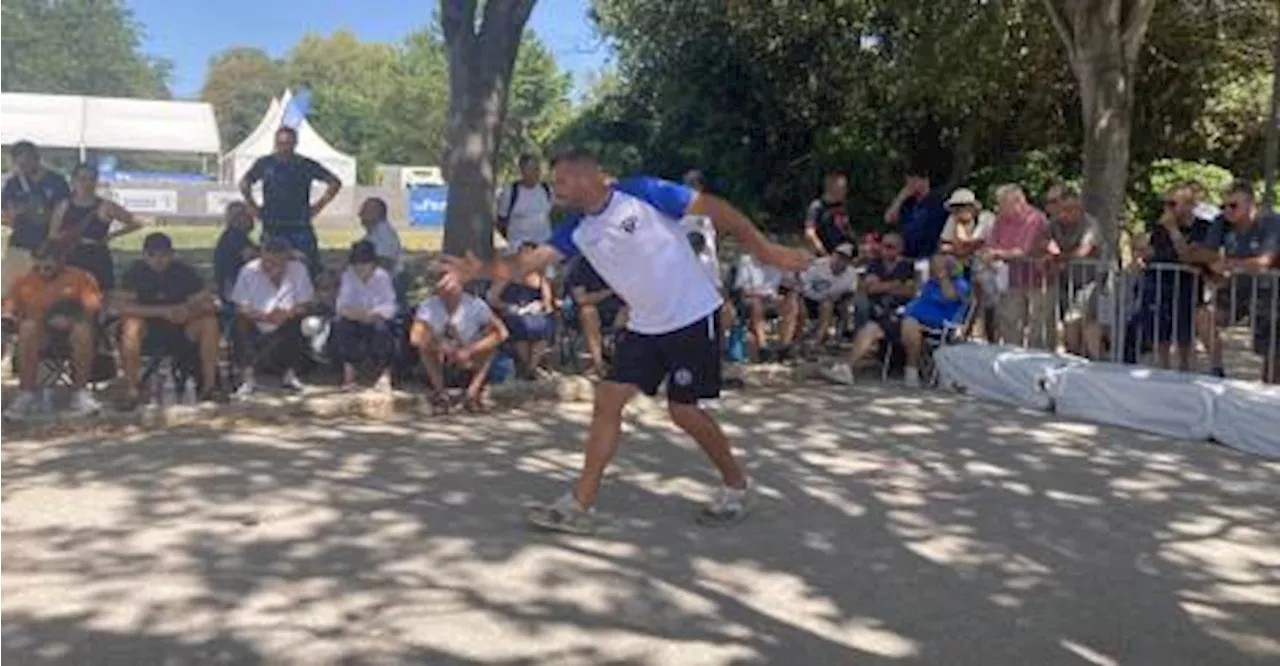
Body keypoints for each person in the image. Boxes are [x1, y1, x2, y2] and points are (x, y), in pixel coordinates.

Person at [438, 148, 810, 533]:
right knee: (608, 400)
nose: (556, 188)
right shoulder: (576, 229)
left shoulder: (644, 192)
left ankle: (737, 486)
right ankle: (579, 506)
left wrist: (767, 251)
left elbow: (719, 210)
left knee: (683, 412)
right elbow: (524, 265)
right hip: (646, 326)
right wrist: (480, 268)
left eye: (561, 180)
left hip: (692, 314)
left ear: (586, 177)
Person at [823, 255, 971, 387]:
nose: (932, 268)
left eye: (936, 266)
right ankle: (847, 368)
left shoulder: (960, 284)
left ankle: (911, 371)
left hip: (935, 327)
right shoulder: (929, 284)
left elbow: (950, 296)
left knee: (910, 323)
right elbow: (915, 297)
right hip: (905, 318)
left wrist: (943, 278)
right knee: (872, 327)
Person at [115, 233, 224, 409]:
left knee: (209, 323)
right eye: (152, 255)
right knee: (130, 326)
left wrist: (188, 311)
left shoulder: (184, 272)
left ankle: (210, 386)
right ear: (144, 255)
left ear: (172, 254)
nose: (158, 260)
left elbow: (210, 302)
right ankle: (131, 390)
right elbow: (122, 307)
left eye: (163, 254)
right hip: (148, 329)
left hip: (182, 328)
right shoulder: (134, 273)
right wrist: (162, 312)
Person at [4, 241, 103, 420]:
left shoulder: (80, 278)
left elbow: (92, 307)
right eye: (38, 266)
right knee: (27, 328)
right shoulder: (24, 280)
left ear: (61, 261)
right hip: (39, 333)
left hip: (72, 330)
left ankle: (80, 393)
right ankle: (26, 394)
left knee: (83, 330)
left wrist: (72, 318)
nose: (42, 271)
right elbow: (9, 309)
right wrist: (9, 317)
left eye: (48, 267)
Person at [1199, 180, 1280, 382]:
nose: (1227, 211)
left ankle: (1269, 395)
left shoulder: (1272, 223)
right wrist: (1212, 263)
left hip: (1272, 289)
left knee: (1271, 349)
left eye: (1233, 206)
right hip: (1240, 285)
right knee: (1204, 315)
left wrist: (1227, 264)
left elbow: (1264, 262)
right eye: (1223, 206)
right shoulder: (1221, 222)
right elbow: (1207, 253)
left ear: (1251, 204)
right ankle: (1217, 369)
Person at [1132, 185, 1217, 371]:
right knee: (1159, 332)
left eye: (1173, 204)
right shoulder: (1159, 228)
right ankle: (1162, 368)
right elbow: (1154, 253)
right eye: (1166, 204)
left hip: (1187, 287)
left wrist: (1173, 231)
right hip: (1159, 284)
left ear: (1190, 205)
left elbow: (1187, 255)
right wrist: (1140, 251)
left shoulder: (1204, 228)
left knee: (1184, 333)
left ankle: (1185, 369)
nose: (1168, 209)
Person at [240, 126, 342, 273]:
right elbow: (245, 182)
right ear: (275, 143)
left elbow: (334, 182)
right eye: (281, 143)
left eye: (288, 143)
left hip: (299, 226)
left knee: (307, 267)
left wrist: (319, 205)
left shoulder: (305, 164)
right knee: (272, 268)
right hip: (273, 226)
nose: (284, 148)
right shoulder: (265, 164)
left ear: (295, 144)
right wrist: (252, 205)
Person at [411, 269, 509, 412]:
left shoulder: (476, 305)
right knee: (424, 348)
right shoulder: (428, 306)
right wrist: (441, 347)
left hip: (468, 359)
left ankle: (472, 394)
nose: (448, 289)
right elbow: (415, 336)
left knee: (489, 347)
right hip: (441, 360)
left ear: (460, 284)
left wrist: (470, 350)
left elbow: (502, 333)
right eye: (443, 285)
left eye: (451, 283)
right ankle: (440, 393)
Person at [230, 238, 316, 397]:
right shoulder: (248, 271)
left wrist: (287, 313)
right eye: (268, 261)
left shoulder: (298, 270)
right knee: (240, 324)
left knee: (302, 322)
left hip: (286, 320)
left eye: (278, 262)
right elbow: (240, 306)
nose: (272, 266)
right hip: (256, 319)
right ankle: (247, 378)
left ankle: (290, 375)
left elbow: (306, 303)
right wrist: (262, 316)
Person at [49, 163, 142, 294]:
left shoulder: (105, 206)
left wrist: (111, 236)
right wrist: (68, 237)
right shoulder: (64, 205)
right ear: (74, 181)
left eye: (91, 179)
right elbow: (52, 234)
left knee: (101, 295)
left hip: (96, 257)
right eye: (82, 179)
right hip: (71, 257)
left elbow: (136, 223)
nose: (87, 184)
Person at [0, 141, 70, 301]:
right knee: (12, 287)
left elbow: (64, 211)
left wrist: (52, 240)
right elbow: (4, 213)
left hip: (49, 246)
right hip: (19, 243)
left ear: (36, 159)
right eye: (19, 163)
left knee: (44, 291)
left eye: (26, 162)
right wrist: (13, 214)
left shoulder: (56, 181)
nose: (23, 167)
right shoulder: (13, 183)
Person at [984, 184, 1051, 348]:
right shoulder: (1001, 220)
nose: (1000, 209)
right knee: (1010, 323)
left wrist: (999, 254)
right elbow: (992, 245)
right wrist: (995, 253)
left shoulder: (1036, 219)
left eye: (1003, 205)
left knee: (1038, 327)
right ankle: (1011, 360)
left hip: (1039, 280)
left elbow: (1024, 251)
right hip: (1012, 279)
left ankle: (1039, 363)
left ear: (1018, 202)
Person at [1045, 188, 1104, 357]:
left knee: (1084, 321)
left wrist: (1060, 258)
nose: (1067, 213)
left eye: (1072, 209)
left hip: (1090, 281)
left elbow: (1083, 251)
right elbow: (1043, 241)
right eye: (1064, 209)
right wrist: (1050, 249)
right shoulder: (1054, 223)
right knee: (1069, 323)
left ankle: (1096, 359)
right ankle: (1074, 357)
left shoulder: (1090, 224)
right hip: (1065, 281)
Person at [333, 241, 398, 391]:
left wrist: (374, 313)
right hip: (355, 319)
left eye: (364, 263)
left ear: (373, 264)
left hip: (376, 319)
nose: (360, 268)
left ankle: (384, 374)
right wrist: (356, 314)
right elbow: (341, 305)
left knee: (381, 329)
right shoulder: (348, 276)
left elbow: (390, 306)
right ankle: (349, 375)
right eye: (356, 264)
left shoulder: (382, 277)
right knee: (341, 326)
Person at [487, 241, 556, 379]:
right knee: (520, 327)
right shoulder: (508, 274)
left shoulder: (541, 276)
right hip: (513, 312)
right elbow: (492, 298)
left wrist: (539, 305)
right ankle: (527, 367)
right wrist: (508, 306)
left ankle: (531, 368)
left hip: (534, 312)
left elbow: (547, 301)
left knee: (545, 325)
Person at [565, 256, 628, 377]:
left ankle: (619, 359)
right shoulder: (581, 265)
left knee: (630, 310)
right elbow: (581, 299)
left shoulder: (621, 263)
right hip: (584, 312)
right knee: (589, 312)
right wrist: (609, 291)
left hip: (617, 310)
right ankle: (598, 364)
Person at [734, 249, 799, 362]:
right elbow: (742, 290)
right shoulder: (746, 261)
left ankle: (785, 345)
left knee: (791, 304)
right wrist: (762, 295)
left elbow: (788, 283)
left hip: (771, 298)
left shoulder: (778, 263)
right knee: (756, 304)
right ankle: (762, 347)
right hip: (750, 299)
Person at [796, 243, 858, 345]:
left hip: (833, 302)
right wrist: (819, 297)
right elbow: (802, 284)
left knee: (831, 305)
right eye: (837, 255)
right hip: (809, 298)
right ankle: (798, 338)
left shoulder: (851, 274)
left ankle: (820, 338)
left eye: (844, 258)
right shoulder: (817, 266)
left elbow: (849, 294)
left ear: (849, 261)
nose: (839, 260)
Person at [855, 232, 917, 332]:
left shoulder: (907, 266)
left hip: (899, 306)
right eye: (882, 245)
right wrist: (896, 284)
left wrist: (883, 286)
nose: (884, 249)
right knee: (862, 303)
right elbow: (871, 289)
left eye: (889, 246)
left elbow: (910, 292)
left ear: (900, 249)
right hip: (875, 305)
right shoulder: (875, 263)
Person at [885, 169, 949, 260]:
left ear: (925, 181)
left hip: (928, 254)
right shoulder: (907, 204)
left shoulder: (937, 203)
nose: (910, 186)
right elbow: (889, 219)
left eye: (914, 181)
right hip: (906, 255)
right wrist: (901, 197)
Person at [496, 154, 555, 247]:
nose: (536, 172)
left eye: (537, 168)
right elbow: (501, 221)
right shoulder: (510, 192)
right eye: (530, 168)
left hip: (543, 247)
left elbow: (551, 213)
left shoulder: (547, 190)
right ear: (522, 170)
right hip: (519, 248)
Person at [213, 201, 259, 303]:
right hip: (234, 290)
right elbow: (251, 256)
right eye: (247, 216)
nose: (252, 220)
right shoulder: (234, 237)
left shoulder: (237, 236)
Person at [803, 171, 853, 257]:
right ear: (832, 189)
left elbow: (845, 229)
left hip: (841, 255)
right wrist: (821, 249)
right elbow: (810, 232)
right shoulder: (817, 207)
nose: (845, 191)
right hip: (824, 255)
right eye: (842, 188)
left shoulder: (841, 207)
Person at [358, 196, 403, 275]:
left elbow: (385, 263)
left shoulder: (384, 235)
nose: (359, 214)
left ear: (376, 213)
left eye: (364, 211)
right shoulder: (373, 234)